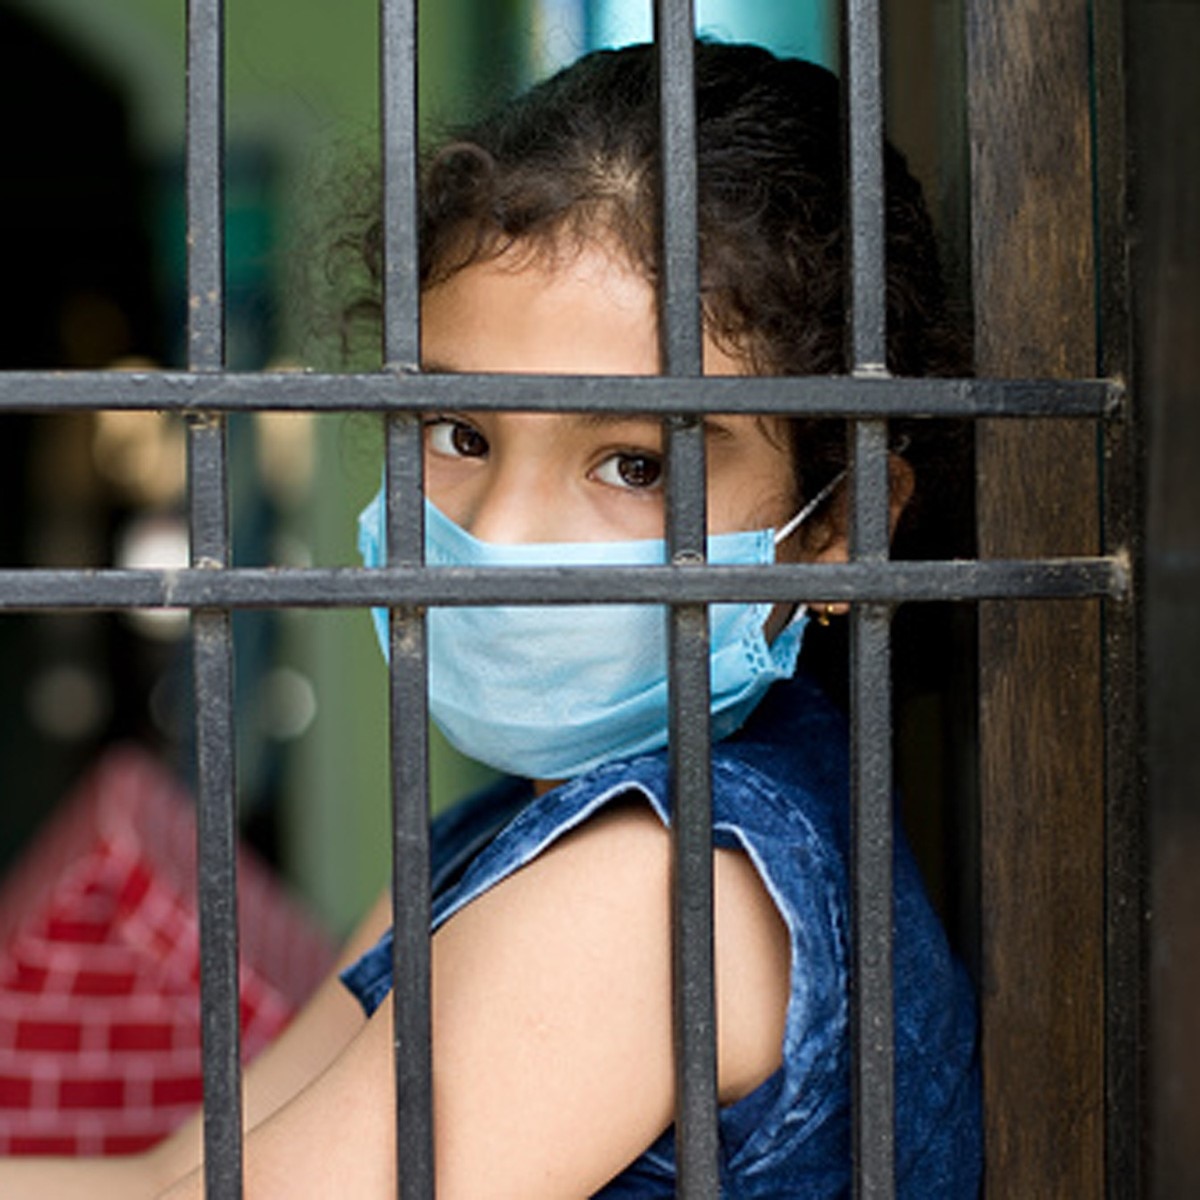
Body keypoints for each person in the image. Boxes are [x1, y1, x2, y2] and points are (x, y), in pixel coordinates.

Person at [1, 39, 979, 1198]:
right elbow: (171, 1178)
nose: (502, 540)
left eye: (632, 465)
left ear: (838, 530)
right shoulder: (512, 829)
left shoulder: (654, 890)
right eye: (459, 436)